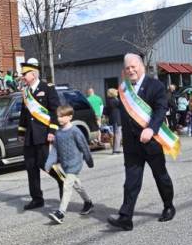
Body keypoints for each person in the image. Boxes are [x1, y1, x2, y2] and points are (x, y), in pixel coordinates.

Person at [108, 53, 175, 231]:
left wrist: (151, 128)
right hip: (132, 145)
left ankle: (168, 206)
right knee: (131, 181)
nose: (131, 70)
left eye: (133, 66)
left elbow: (161, 109)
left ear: (142, 66)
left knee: (161, 176)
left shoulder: (155, 86)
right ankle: (126, 217)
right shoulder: (124, 89)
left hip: (151, 142)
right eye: (127, 68)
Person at [18, 58, 64, 210]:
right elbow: (24, 114)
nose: (23, 77)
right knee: (31, 167)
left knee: (45, 164)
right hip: (30, 136)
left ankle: (62, 180)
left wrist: (52, 130)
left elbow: (55, 110)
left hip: (44, 134)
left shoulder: (47, 87)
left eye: (25, 74)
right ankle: (37, 198)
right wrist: (21, 132)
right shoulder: (25, 92)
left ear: (33, 74)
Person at [44, 105, 95, 224]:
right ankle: (88, 202)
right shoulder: (58, 133)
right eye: (58, 116)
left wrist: (89, 160)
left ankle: (61, 213)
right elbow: (55, 151)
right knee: (77, 185)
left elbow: (84, 147)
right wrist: (48, 164)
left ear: (70, 117)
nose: (59, 119)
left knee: (67, 185)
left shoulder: (75, 131)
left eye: (62, 116)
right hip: (65, 164)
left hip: (75, 163)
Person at [103, 88, 123, 154]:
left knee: (118, 133)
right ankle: (115, 149)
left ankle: (116, 148)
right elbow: (121, 104)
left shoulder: (110, 100)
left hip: (115, 118)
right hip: (116, 119)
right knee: (117, 134)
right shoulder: (113, 100)